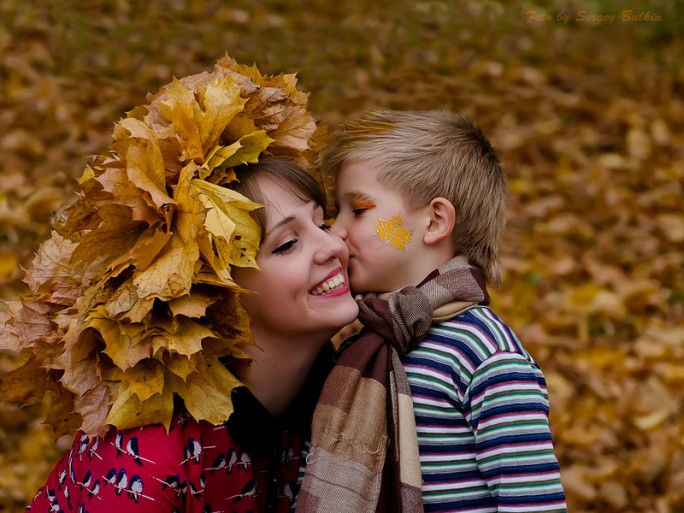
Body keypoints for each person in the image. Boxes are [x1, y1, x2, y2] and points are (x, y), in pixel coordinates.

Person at [4, 57, 359, 513]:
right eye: (288, 244)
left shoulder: (346, 401)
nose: (332, 246)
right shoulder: (148, 461)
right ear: (214, 292)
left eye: (322, 222)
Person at [297, 110, 567, 513]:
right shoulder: (359, 349)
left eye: (359, 209)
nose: (336, 231)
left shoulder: (485, 355)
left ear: (435, 221)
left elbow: (531, 502)